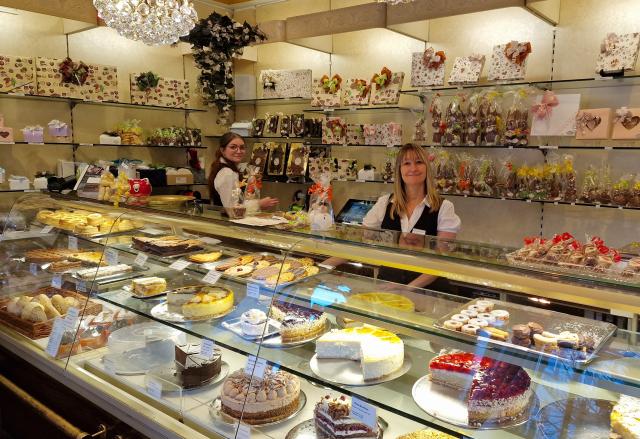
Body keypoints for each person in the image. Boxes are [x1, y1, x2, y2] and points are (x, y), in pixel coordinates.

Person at [362, 143, 461, 289]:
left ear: (427, 167)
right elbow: (361, 240)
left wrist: (408, 288)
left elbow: (441, 261)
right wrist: (328, 266)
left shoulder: (444, 207)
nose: (413, 168)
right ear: (399, 170)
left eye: (419, 162)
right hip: (388, 290)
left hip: (428, 292)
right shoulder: (385, 203)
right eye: (407, 163)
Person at [208, 132, 279, 211]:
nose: (238, 151)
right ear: (222, 150)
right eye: (233, 147)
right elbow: (232, 209)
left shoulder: (227, 169)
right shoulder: (227, 173)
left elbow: (236, 200)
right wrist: (259, 204)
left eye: (242, 147)